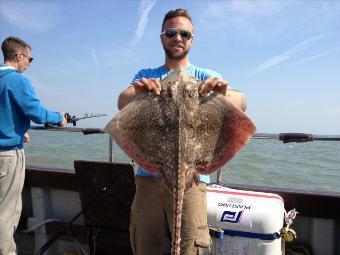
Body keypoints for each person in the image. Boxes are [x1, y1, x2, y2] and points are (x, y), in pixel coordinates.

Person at [117, 9, 247, 255]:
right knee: (146, 245)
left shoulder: (206, 77)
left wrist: (223, 92)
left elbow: (241, 102)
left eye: (184, 33)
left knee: (190, 246)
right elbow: (122, 102)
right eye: (171, 32)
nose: (178, 37)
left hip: (193, 175)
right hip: (149, 173)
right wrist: (139, 91)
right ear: (162, 37)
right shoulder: (147, 76)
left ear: (192, 39)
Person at [0, 36, 66, 255]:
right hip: (7, 156)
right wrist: (60, 118)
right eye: (30, 58)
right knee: (5, 213)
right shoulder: (17, 80)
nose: (29, 63)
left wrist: (19, 129)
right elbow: (37, 113)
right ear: (19, 56)